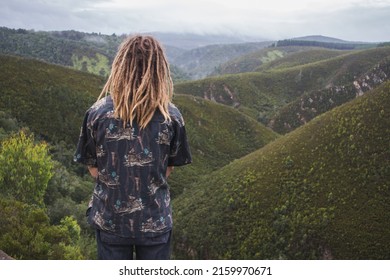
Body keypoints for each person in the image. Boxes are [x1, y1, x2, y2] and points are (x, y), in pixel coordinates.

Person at [74, 34, 192, 260]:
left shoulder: (97, 113)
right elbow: (168, 169)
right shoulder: (172, 116)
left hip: (111, 222)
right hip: (155, 222)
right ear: (159, 69)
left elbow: (93, 168)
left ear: (120, 65)